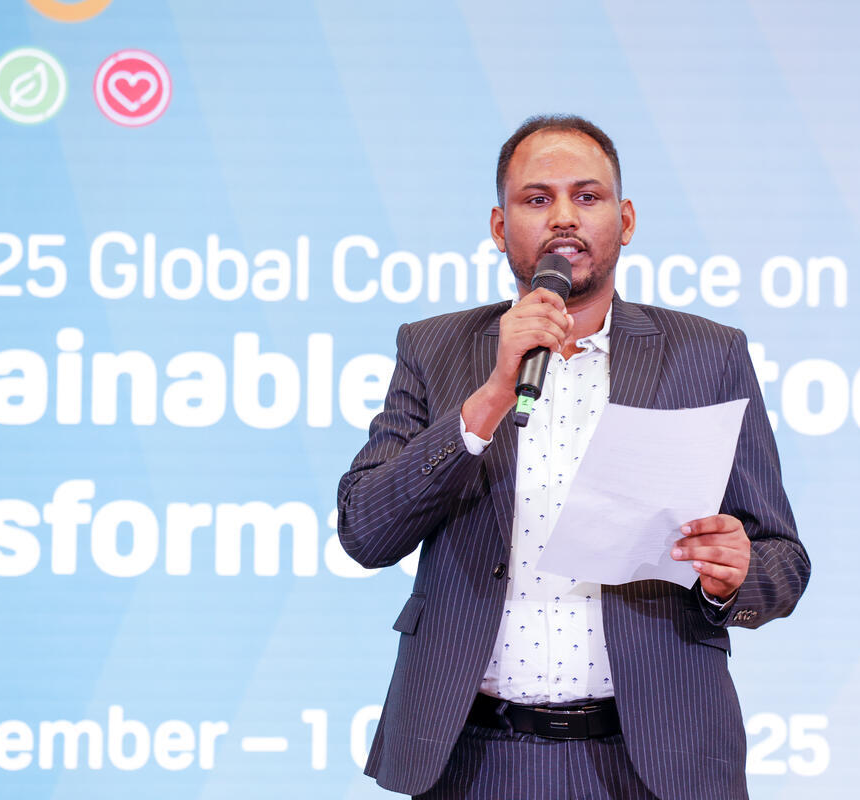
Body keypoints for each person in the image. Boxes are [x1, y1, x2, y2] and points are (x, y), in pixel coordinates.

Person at [338, 115, 810, 800]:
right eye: (537, 199)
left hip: (656, 761)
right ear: (500, 227)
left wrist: (733, 575)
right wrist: (488, 400)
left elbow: (783, 561)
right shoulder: (433, 348)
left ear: (626, 220)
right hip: (474, 761)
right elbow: (365, 532)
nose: (564, 217)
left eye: (586, 197)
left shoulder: (708, 355)